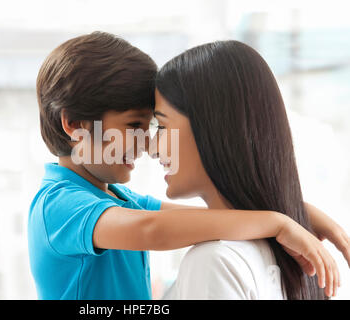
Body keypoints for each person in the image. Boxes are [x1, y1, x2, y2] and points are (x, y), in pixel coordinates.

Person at [28, 31, 345, 300]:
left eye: (153, 127)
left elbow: (214, 219)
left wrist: (292, 211)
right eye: (133, 125)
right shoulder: (57, 205)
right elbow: (153, 231)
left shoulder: (121, 200)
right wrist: (278, 223)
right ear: (74, 124)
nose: (147, 143)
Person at [154, 40, 349, 299]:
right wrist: (284, 215)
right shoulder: (287, 253)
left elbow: (145, 223)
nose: (153, 148)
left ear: (213, 129)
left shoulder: (214, 261)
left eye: (162, 127)